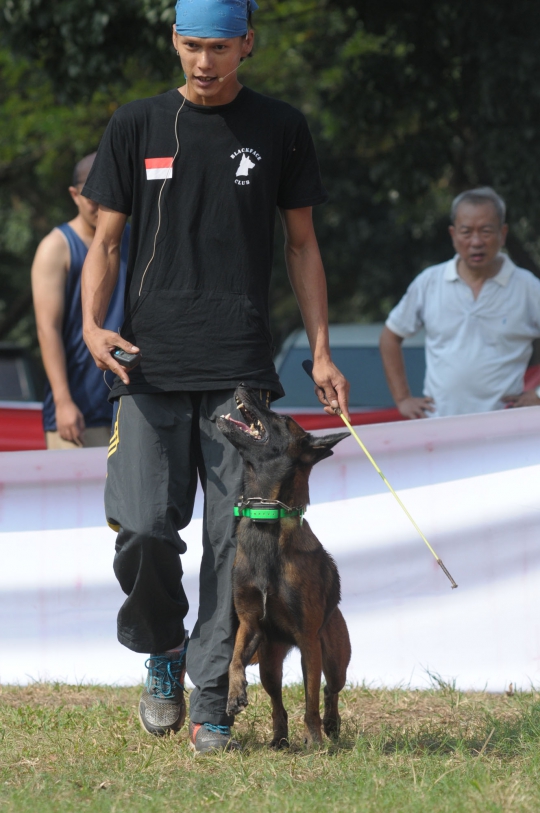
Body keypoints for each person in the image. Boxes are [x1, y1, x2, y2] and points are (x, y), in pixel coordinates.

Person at [81, 0, 350, 754]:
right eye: (193, 45)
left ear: (247, 45)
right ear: (174, 41)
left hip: (238, 369)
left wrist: (322, 351)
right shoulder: (135, 124)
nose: (205, 61)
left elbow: (302, 245)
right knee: (142, 527)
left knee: (238, 543)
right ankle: (163, 654)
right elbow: (105, 241)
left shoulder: (281, 127)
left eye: (221, 47)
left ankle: (211, 697)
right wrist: (91, 326)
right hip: (145, 364)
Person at [380, 187, 540, 418]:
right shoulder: (430, 283)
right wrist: (403, 399)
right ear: (453, 234)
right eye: (466, 232)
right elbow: (390, 336)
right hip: (440, 425)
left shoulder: (528, 287)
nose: (476, 242)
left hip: (506, 427)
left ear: (503, 233)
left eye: (486, 231)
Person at [31, 154, 129, 449]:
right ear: (75, 195)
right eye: (92, 196)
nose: (101, 204)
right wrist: (63, 402)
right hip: (79, 412)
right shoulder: (56, 247)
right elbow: (46, 330)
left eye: (108, 194)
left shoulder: (132, 241)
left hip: (128, 406)